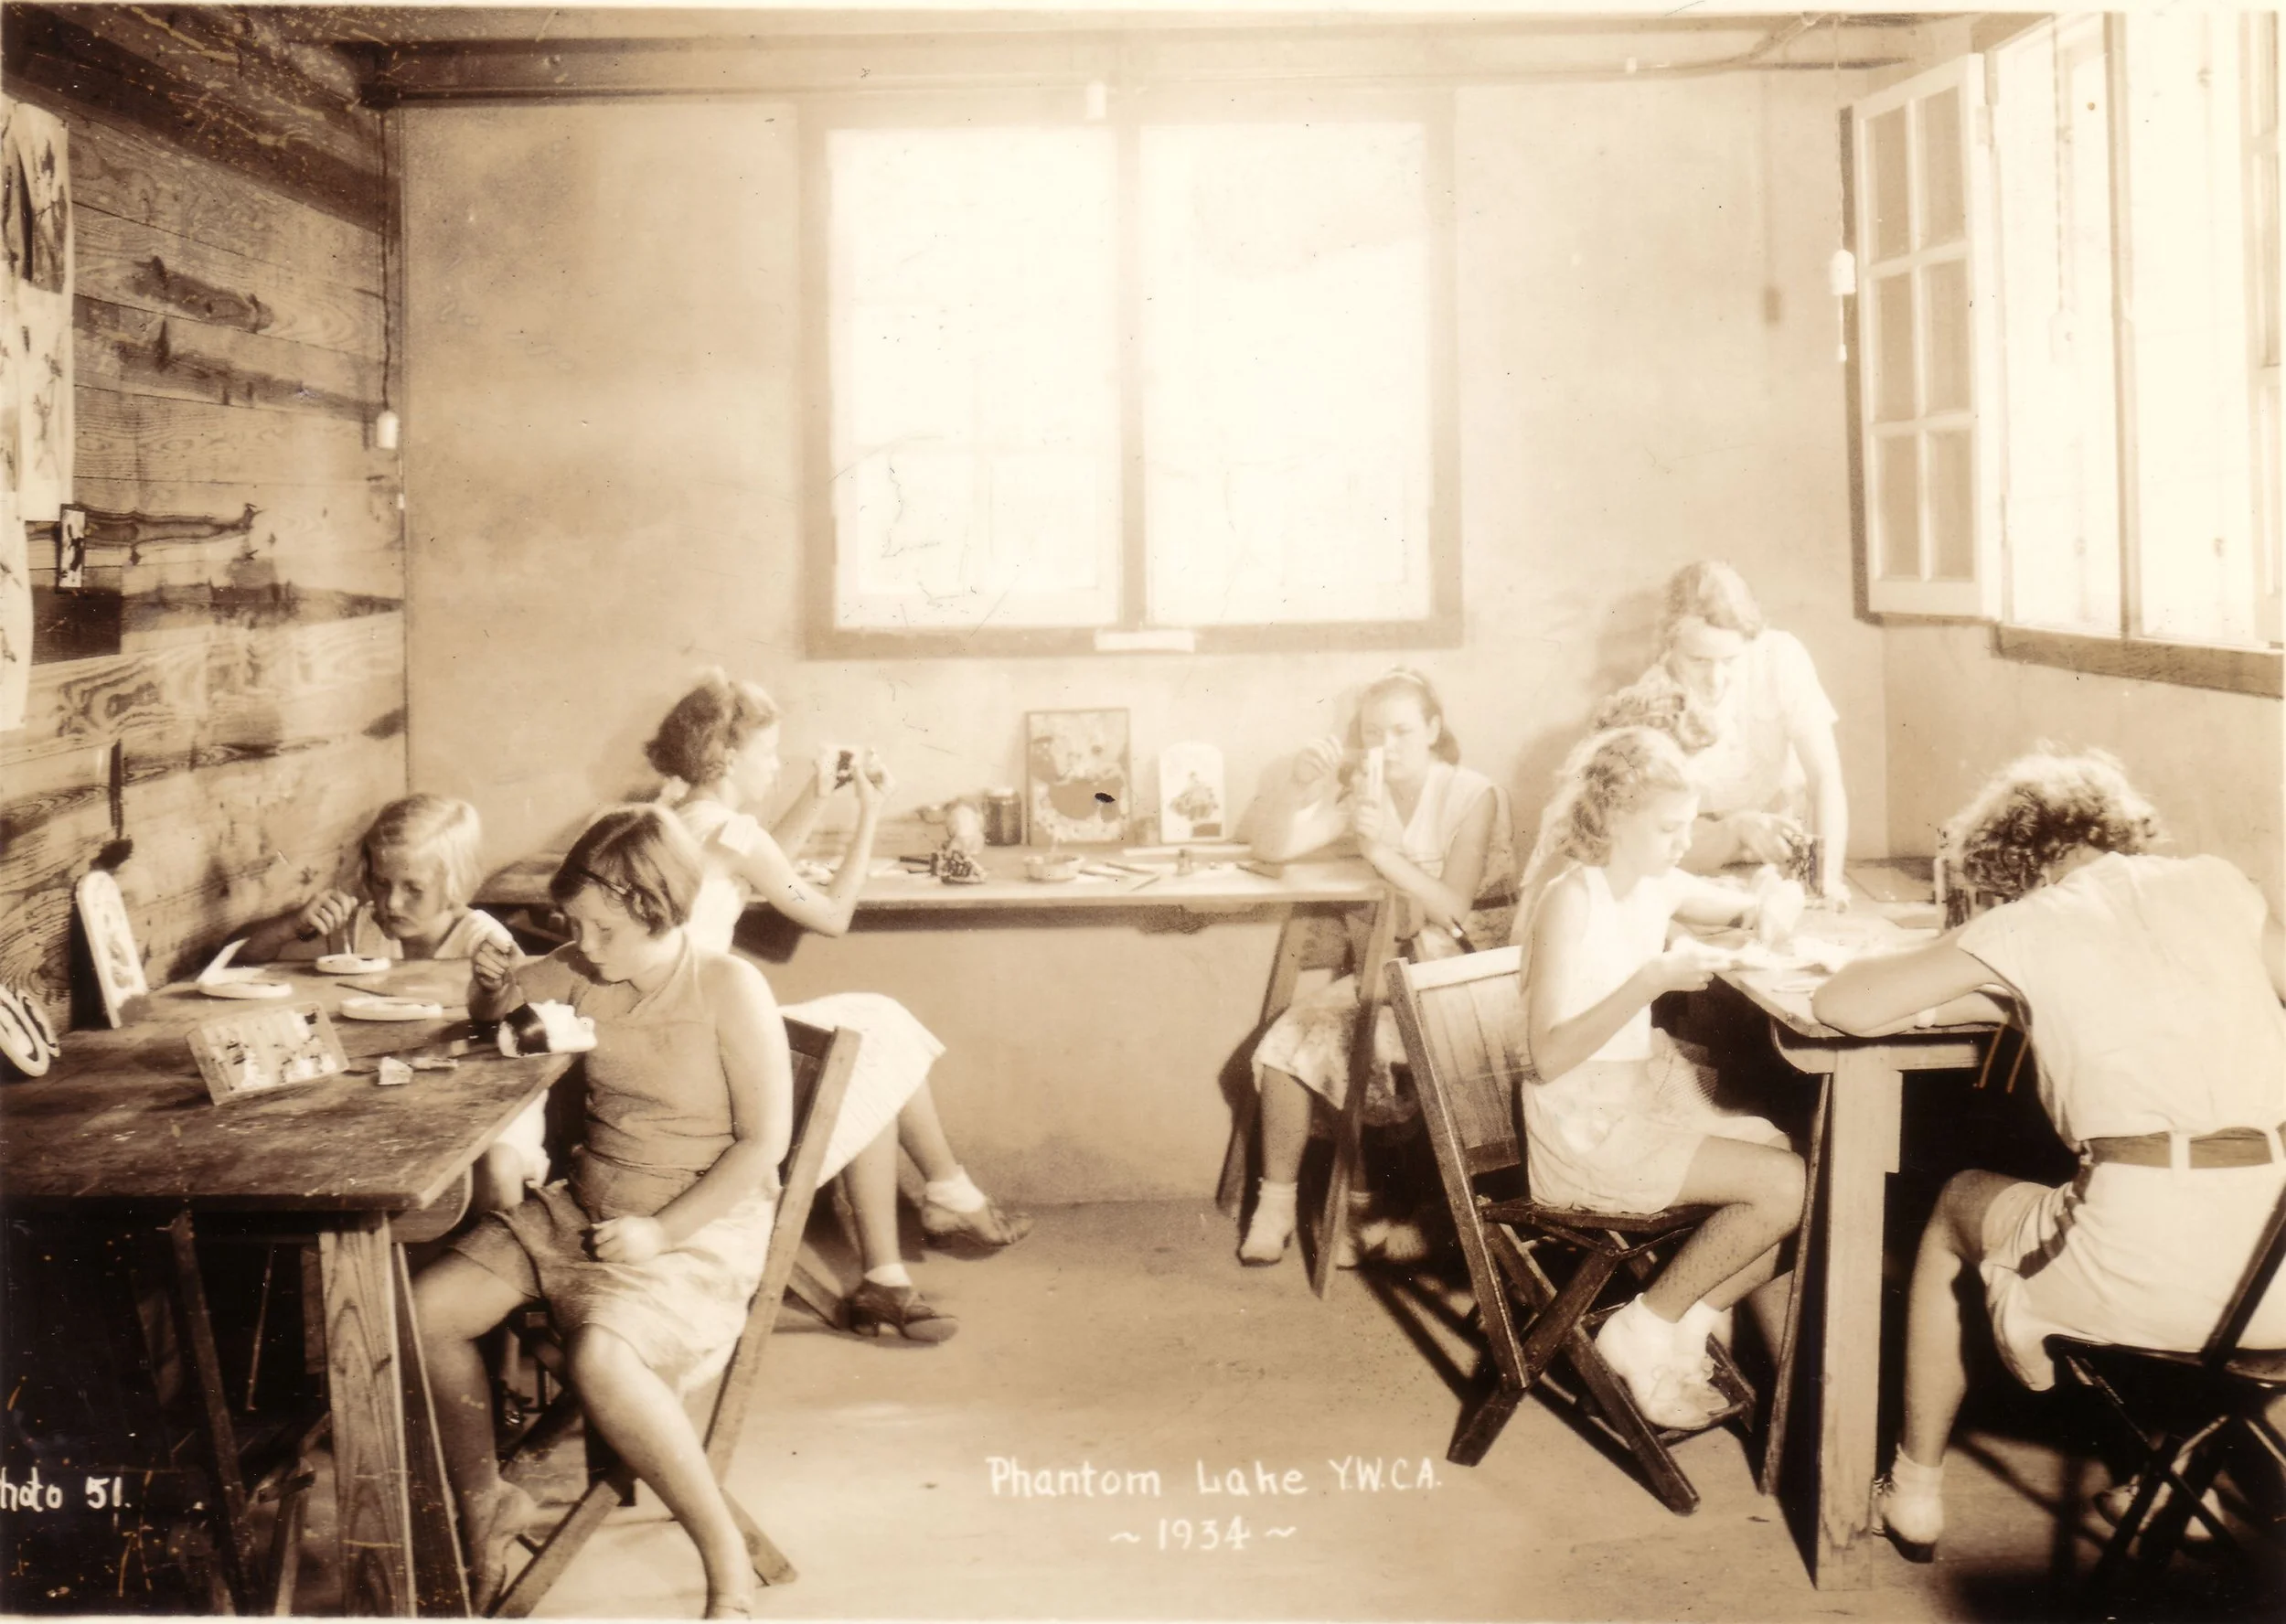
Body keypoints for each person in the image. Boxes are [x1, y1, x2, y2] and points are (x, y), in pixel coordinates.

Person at [1812, 749, 2286, 1562]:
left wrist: (2005, 981)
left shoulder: (2029, 920)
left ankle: (1915, 1489)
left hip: (2143, 1277)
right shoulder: (2216, 882)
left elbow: (1843, 1004)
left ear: (2023, 857)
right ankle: (2180, 1471)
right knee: (2181, 1238)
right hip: (2275, 1274)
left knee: (1957, 1202)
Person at [418, 807, 788, 1618]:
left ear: (656, 908)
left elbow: (763, 1146)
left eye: (601, 927)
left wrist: (664, 1232)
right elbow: (501, 1007)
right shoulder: (585, 966)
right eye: (574, 924)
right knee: (423, 1314)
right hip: (586, 1206)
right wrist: (490, 987)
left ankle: (723, 1557)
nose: (580, 944)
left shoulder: (729, 988)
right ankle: (485, 1502)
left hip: (694, 1228)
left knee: (602, 1363)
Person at [646, 674, 1031, 1344]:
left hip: (679, 1029)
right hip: (706, 1051)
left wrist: (816, 796)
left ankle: (890, 1272)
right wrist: (869, 814)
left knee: (864, 1042)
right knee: (873, 1032)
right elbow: (832, 916)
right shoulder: (734, 830)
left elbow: (763, 862)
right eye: (769, 756)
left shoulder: (678, 819)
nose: (775, 766)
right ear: (730, 759)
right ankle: (947, 1194)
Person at [1512, 727, 1805, 1430]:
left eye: (1689, 826)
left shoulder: (1655, 880)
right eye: (1668, 828)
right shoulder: (1571, 899)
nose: (1683, 842)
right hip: (1583, 1125)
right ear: (1614, 819)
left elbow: (1728, 905)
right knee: (1785, 1185)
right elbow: (1546, 1055)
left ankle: (1681, 1325)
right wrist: (1650, 981)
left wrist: (1768, 897)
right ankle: (1648, 1325)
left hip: (1636, 1100)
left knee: (1795, 1160)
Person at [1240, 668, 1507, 1269]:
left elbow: (1454, 906)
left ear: (1434, 730)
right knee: (1289, 1039)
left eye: (1403, 731)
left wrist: (1382, 850)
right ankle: (1276, 1206)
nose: (1387, 746)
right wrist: (1298, 787)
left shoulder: (1473, 793)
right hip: (1396, 975)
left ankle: (1379, 1207)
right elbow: (1274, 849)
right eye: (1373, 733)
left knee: (1370, 1044)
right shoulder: (1369, 789)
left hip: (1470, 981)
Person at [239, 794, 544, 1215]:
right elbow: (242, 968)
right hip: (394, 1091)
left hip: (487, 1092)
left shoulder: (483, 941)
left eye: (413, 889)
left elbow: (519, 1034)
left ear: (454, 885)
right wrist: (291, 926)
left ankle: (501, 1262)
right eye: (381, 883)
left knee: (496, 1170)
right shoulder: (359, 928)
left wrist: (494, 989)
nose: (391, 903)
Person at [1597, 561, 1849, 900]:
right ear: (1669, 647)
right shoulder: (1653, 700)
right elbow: (1652, 837)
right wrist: (1735, 831)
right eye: (1698, 660)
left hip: (1785, 853)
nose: (1716, 680)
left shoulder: (1781, 657)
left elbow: (1825, 779)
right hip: (1697, 859)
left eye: (1730, 660)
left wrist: (1824, 878)